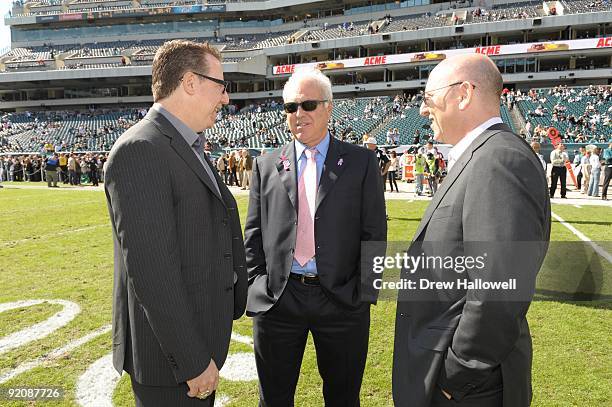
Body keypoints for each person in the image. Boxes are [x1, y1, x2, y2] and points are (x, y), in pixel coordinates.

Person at [393, 54, 550, 407]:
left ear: (463, 94)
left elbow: (498, 288)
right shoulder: (482, 155)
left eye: (428, 98)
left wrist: (457, 374)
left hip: (468, 389)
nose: (422, 110)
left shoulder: (498, 160)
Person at [104, 40, 248, 406]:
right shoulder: (142, 149)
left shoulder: (185, 144)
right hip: (173, 365)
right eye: (221, 85)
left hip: (198, 344)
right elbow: (154, 273)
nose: (226, 98)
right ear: (190, 82)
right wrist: (192, 360)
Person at [244, 68, 387, 406]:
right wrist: (257, 285)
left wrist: (363, 292)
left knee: (343, 398)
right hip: (279, 299)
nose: (299, 114)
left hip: (341, 301)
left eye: (308, 105)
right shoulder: (266, 165)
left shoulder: (361, 162)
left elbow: (374, 233)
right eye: (290, 107)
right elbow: (253, 234)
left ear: (328, 107)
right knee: (274, 399)